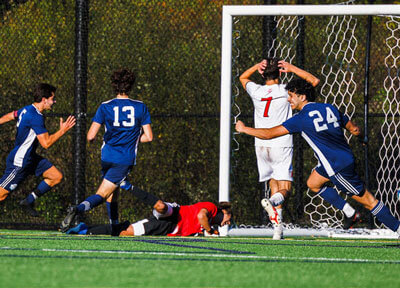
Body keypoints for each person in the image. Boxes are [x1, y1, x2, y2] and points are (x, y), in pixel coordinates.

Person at [235, 79, 400, 235]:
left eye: (291, 95)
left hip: (336, 168)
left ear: (302, 97)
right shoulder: (330, 108)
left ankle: (397, 228)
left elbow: (269, 134)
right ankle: (349, 212)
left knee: (369, 201)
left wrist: (244, 129)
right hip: (341, 160)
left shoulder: (300, 118)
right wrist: (362, 138)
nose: (288, 99)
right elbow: (355, 130)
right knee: (313, 183)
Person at [60, 68, 164, 232]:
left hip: (107, 156)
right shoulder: (140, 107)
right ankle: (77, 209)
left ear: (114, 85)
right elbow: (149, 137)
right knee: (102, 194)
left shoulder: (104, 106)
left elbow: (90, 136)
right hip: (123, 159)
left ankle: (114, 225)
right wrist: (132, 139)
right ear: (130, 85)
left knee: (112, 191)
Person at [239, 58, 320, 240]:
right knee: (285, 188)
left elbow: (243, 78)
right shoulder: (286, 91)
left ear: (262, 73)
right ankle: (272, 202)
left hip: (260, 144)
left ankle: (278, 229)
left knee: (273, 183)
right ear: (280, 73)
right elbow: (314, 81)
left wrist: (255, 67)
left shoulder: (256, 90)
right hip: (280, 142)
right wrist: (292, 68)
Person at [0, 83, 76, 216]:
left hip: (30, 158)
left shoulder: (27, 109)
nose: (54, 101)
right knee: (2, 195)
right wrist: (62, 131)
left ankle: (28, 201)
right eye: (52, 99)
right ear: (44, 99)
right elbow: (46, 143)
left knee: (55, 176)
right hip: (19, 162)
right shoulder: (36, 116)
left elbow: (11, 115)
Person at [65, 201, 232, 237]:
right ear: (223, 210)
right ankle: (84, 229)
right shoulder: (212, 208)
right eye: (229, 217)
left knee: (126, 232)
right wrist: (210, 232)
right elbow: (200, 215)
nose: (229, 222)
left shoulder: (209, 224)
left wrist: (210, 230)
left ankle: (85, 229)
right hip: (172, 217)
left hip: (168, 229)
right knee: (160, 206)